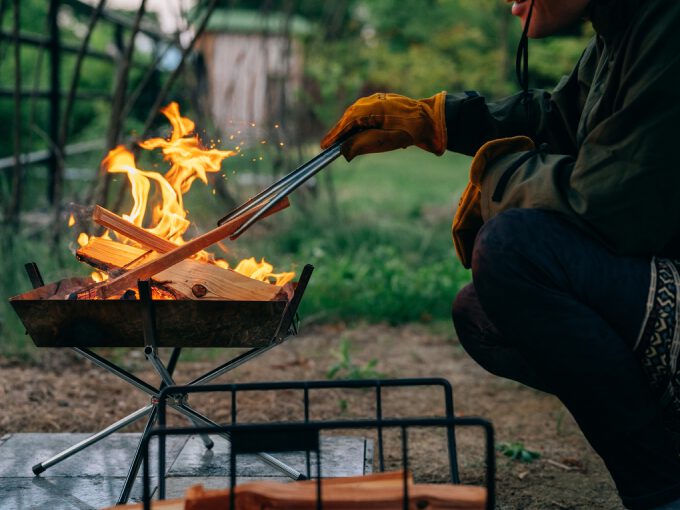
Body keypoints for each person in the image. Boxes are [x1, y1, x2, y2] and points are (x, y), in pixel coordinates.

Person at [320, 0, 680, 509]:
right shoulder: (620, 31)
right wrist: (434, 120)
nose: (514, 6)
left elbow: (609, 203)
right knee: (480, 314)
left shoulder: (667, 25)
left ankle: (662, 493)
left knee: (513, 249)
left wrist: (496, 177)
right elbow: (552, 118)